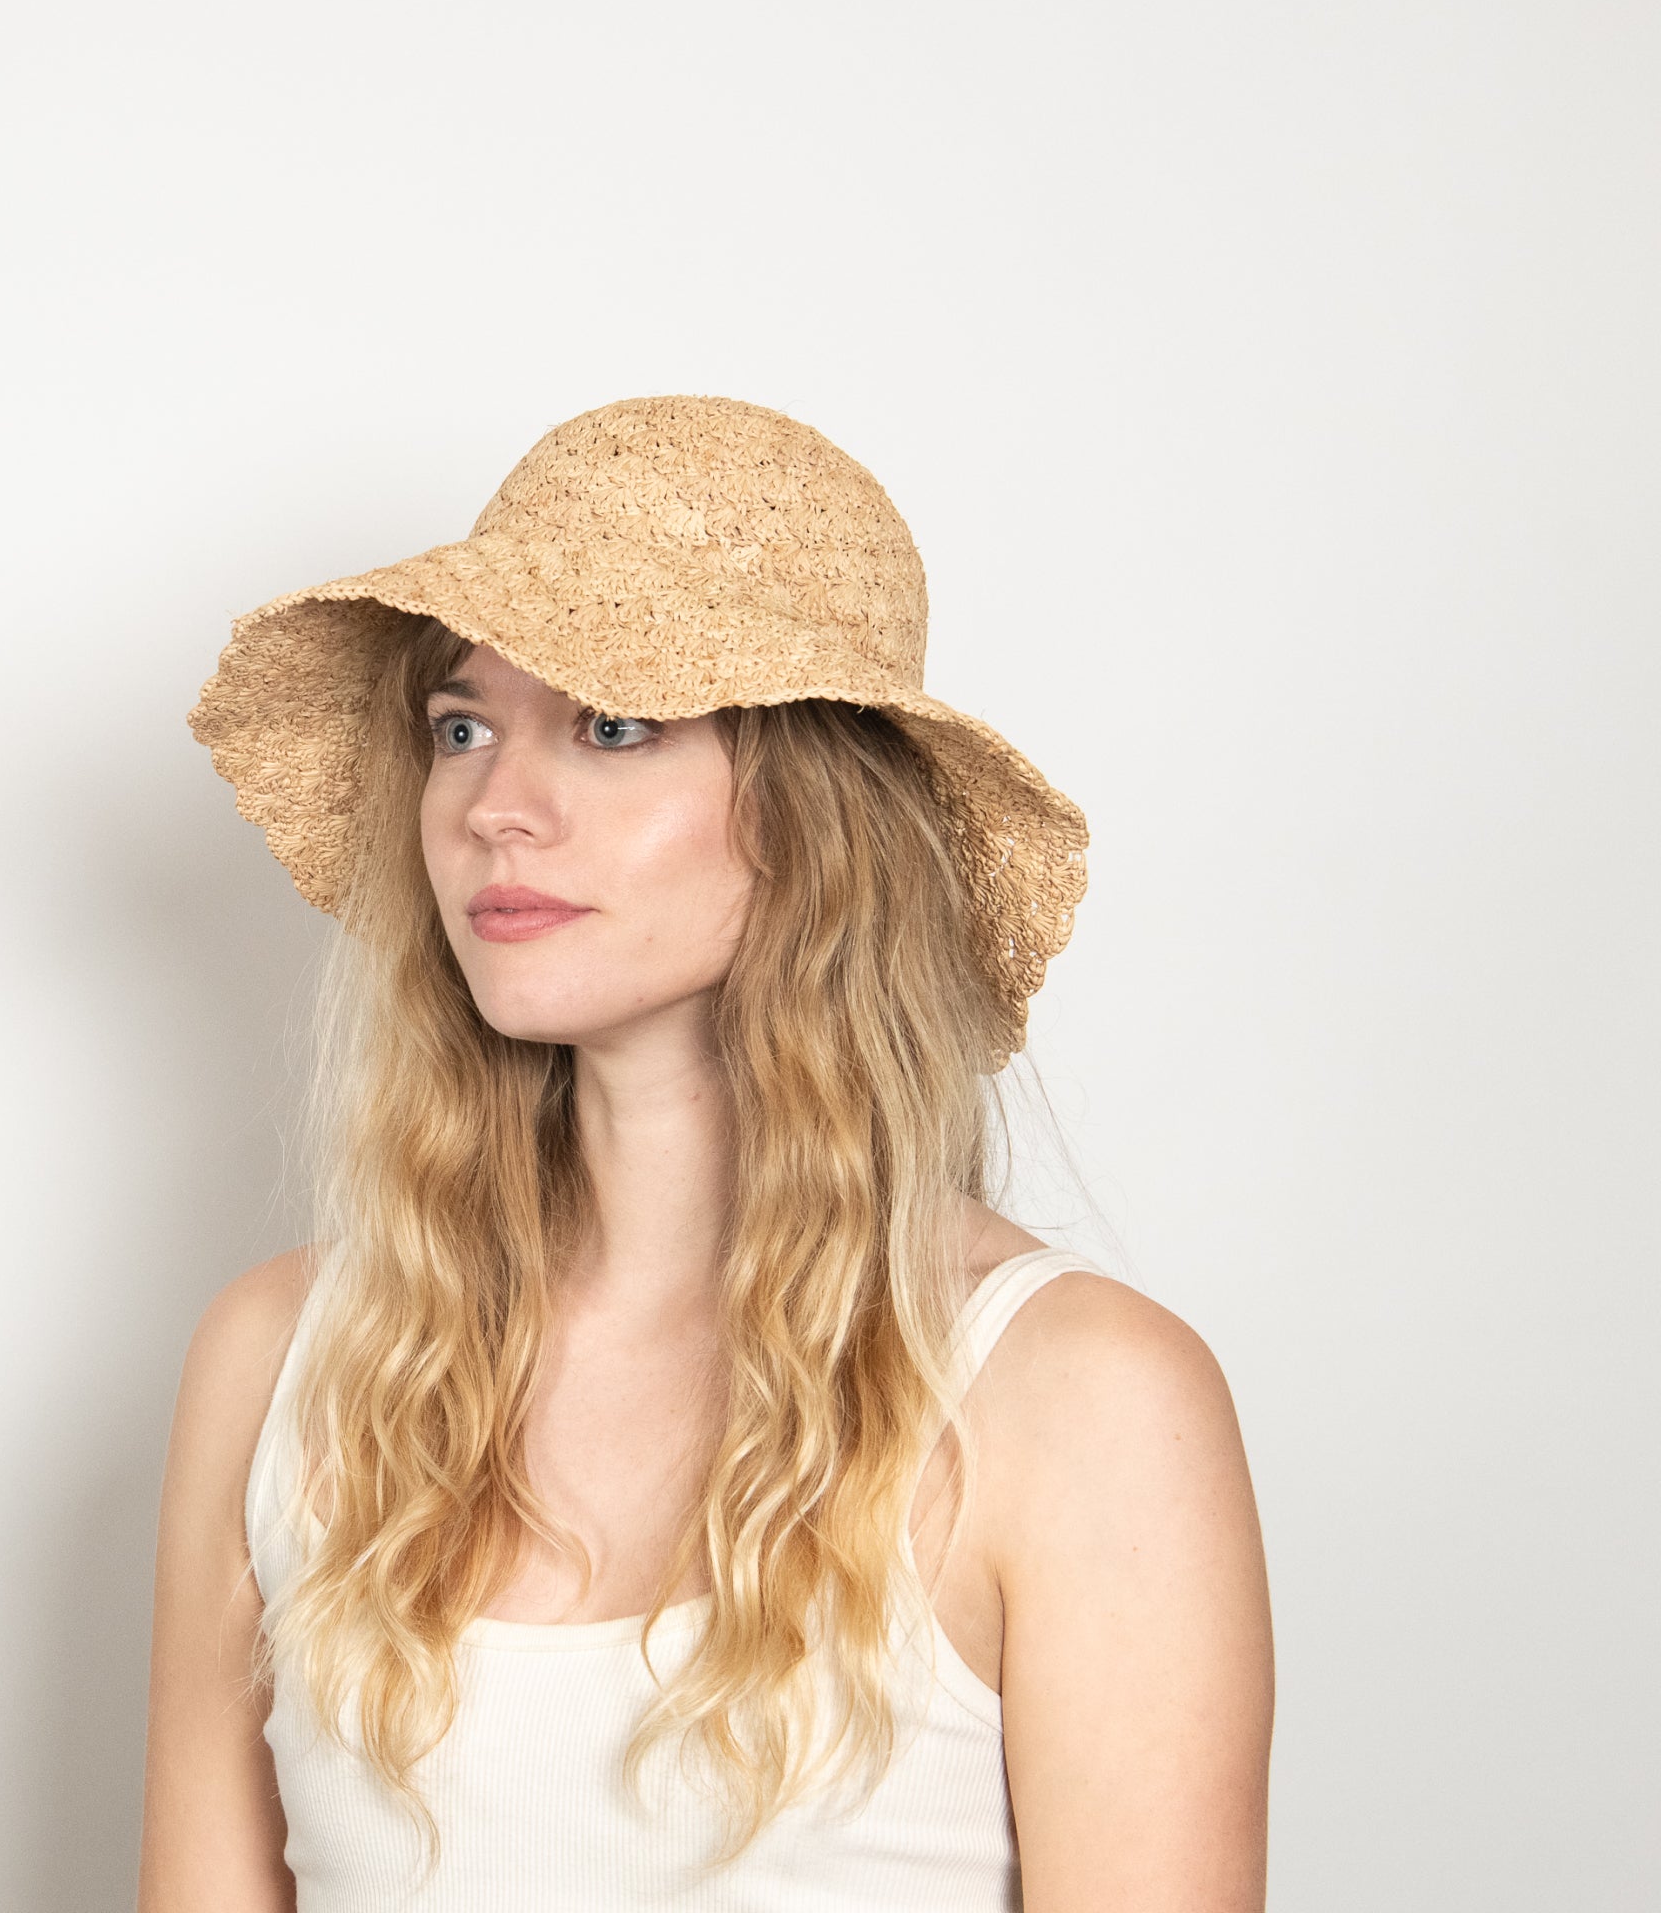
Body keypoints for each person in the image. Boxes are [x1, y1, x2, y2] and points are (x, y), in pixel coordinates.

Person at [138, 395, 1274, 1911]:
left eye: (613, 725)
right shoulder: (286, 1359)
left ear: (817, 814)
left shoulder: (1078, 1397)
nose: (496, 809)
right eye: (462, 729)